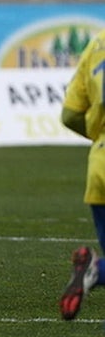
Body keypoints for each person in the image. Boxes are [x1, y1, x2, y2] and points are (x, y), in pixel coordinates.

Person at [58, 28, 105, 320]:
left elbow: (70, 115)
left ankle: (95, 272)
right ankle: (96, 271)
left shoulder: (98, 43)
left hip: (101, 165)